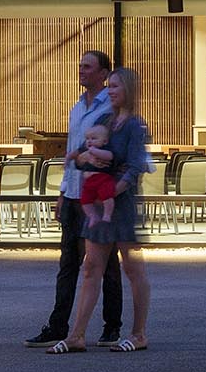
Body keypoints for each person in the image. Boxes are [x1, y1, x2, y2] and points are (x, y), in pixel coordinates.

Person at [48, 66, 152, 354]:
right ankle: (77, 335)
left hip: (122, 205)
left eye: (116, 86)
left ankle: (139, 333)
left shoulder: (135, 125)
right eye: (109, 86)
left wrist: (110, 188)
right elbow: (81, 155)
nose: (111, 91)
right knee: (91, 267)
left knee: (132, 268)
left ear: (129, 89)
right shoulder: (106, 120)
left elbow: (134, 168)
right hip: (98, 203)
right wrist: (85, 161)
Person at [24, 48, 122, 349]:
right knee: (68, 263)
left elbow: (111, 152)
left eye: (88, 67)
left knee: (105, 265)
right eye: (80, 66)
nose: (81, 71)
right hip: (74, 192)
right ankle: (57, 325)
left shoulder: (112, 106)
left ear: (104, 74)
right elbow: (70, 152)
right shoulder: (77, 107)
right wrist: (63, 193)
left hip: (98, 193)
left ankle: (111, 326)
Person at [75, 123, 117, 228]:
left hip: (103, 179)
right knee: (85, 201)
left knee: (107, 197)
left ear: (105, 141)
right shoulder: (86, 151)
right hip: (89, 182)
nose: (89, 141)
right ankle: (93, 216)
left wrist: (95, 151)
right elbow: (78, 160)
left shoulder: (106, 149)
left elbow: (110, 156)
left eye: (93, 138)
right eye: (87, 138)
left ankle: (107, 215)